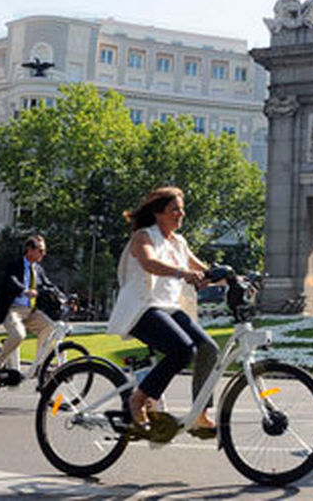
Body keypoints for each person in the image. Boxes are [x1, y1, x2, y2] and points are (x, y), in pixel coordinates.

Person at [107, 187, 218, 437]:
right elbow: (149, 262)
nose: (181, 214)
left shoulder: (179, 243)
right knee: (182, 349)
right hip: (142, 308)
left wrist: (235, 278)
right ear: (158, 213)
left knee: (209, 348)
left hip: (169, 309)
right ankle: (138, 400)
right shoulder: (143, 236)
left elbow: (203, 271)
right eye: (174, 209)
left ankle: (200, 414)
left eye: (182, 209)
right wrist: (182, 273)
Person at [0, 234, 59, 386]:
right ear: (29, 250)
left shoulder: (38, 269)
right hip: (12, 309)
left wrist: (62, 296)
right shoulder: (14, 265)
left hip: (30, 311)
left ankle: (40, 365)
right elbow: (11, 281)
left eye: (44, 251)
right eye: (40, 250)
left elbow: (48, 284)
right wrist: (25, 290)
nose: (43, 254)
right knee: (19, 334)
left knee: (50, 327)